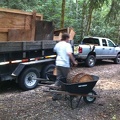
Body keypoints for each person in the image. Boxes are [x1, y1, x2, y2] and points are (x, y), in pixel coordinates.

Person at [52, 33, 78, 100]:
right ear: (66, 38)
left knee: (59, 79)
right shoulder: (67, 45)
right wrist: (74, 61)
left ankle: (55, 95)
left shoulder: (58, 44)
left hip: (58, 63)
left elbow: (54, 50)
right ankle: (70, 95)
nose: (69, 40)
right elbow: (69, 53)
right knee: (68, 79)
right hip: (64, 64)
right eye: (68, 38)